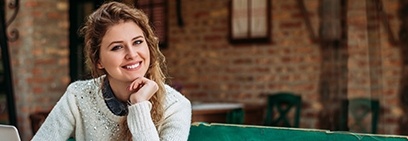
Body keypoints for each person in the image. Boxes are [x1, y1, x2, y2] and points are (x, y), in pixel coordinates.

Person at [32, 1, 191, 140]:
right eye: (117, 47)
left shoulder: (175, 106)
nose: (132, 54)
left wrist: (139, 105)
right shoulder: (77, 96)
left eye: (137, 42)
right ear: (99, 60)